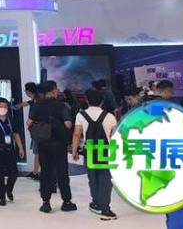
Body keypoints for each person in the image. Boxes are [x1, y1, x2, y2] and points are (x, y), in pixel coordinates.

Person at [28, 80, 76, 214]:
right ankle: (66, 202)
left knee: (45, 172)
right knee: (62, 172)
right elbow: (67, 124)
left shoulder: (37, 105)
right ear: (54, 90)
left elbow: (29, 122)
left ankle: (46, 202)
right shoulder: (61, 106)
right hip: (59, 144)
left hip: (43, 143)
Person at [71, 89, 118, 221]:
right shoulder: (109, 116)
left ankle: (96, 203)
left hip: (90, 148)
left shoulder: (81, 115)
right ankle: (105, 208)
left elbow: (77, 134)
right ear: (102, 101)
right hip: (106, 149)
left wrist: (74, 150)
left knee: (92, 177)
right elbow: (115, 135)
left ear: (87, 101)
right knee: (105, 178)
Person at [15, 82, 42, 180]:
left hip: (39, 131)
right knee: (37, 152)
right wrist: (18, 106)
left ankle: (39, 173)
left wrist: (30, 122)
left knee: (38, 152)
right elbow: (26, 103)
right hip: (37, 131)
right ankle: (35, 172)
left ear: (28, 91)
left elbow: (33, 117)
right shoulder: (35, 100)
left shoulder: (37, 102)